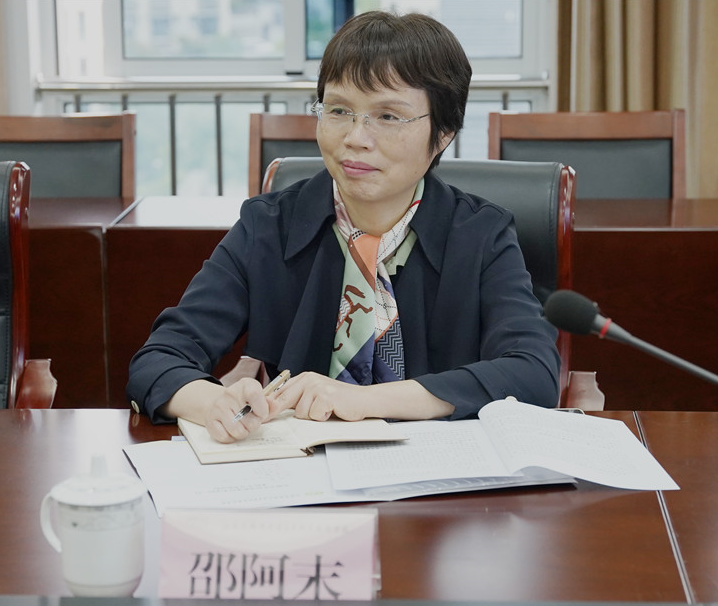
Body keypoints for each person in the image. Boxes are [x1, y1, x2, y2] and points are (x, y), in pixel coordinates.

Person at [126, 10, 560, 443]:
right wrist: (213, 402)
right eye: (338, 110)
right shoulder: (269, 226)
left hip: (438, 473)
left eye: (388, 117)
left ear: (444, 131)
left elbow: (533, 372)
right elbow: (158, 361)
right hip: (301, 469)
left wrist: (365, 401)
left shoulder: (481, 235)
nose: (356, 138)